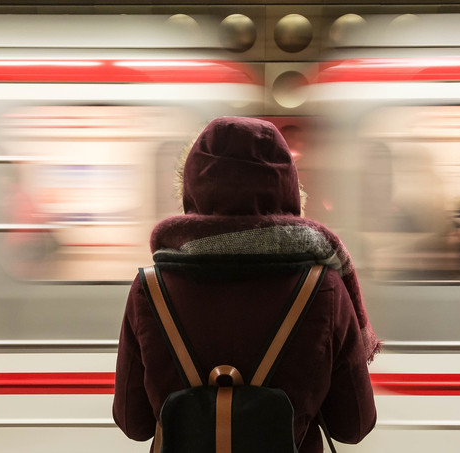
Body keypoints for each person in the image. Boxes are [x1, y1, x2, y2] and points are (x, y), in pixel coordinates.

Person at [113, 116, 380, 452]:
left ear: (192, 189)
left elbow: (132, 423)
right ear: (287, 189)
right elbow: (353, 425)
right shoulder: (323, 288)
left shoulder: (149, 289)